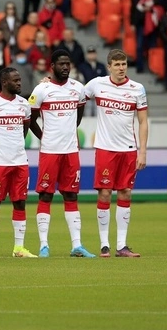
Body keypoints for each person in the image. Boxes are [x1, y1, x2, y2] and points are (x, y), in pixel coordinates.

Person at [28, 50, 95, 258]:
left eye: (68, 63)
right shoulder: (41, 90)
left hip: (71, 151)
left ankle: (77, 245)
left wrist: (70, 132)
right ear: (52, 66)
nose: (65, 67)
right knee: (46, 195)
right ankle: (43, 246)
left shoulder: (78, 88)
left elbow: (79, 114)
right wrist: (43, 136)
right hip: (49, 151)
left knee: (71, 195)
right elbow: (30, 119)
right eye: (61, 64)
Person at [83, 49, 148, 258]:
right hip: (105, 148)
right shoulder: (97, 84)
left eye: (124, 64)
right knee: (104, 193)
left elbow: (143, 122)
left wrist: (142, 151)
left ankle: (121, 246)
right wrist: (50, 82)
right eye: (117, 65)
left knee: (125, 192)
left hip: (128, 150)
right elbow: (75, 94)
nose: (121, 68)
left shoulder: (137, 89)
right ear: (109, 66)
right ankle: (104, 245)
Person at [0, 67, 36, 258]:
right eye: (15, 80)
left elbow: (25, 130)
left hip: (20, 163)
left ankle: (19, 248)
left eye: (19, 80)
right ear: (4, 82)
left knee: (20, 203)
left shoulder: (24, 104)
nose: (19, 83)